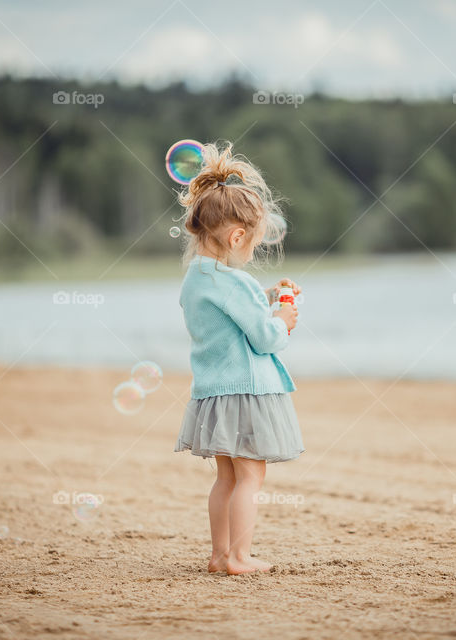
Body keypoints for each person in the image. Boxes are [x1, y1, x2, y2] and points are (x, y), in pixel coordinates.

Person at [173, 141, 303, 575]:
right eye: (253, 244)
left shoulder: (197, 278)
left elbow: (226, 314)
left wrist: (265, 296)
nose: (252, 254)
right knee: (252, 478)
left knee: (226, 478)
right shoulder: (235, 284)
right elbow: (265, 338)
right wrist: (282, 317)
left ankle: (218, 554)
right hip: (246, 391)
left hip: (214, 392)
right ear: (235, 236)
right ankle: (240, 557)